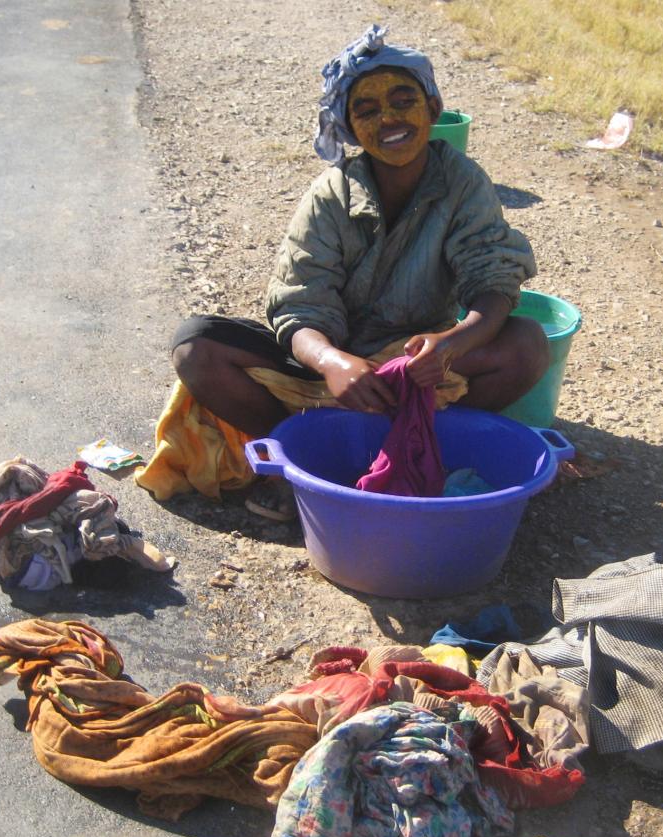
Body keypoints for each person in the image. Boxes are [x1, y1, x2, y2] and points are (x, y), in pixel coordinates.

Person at [137, 25, 549, 518]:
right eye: (368, 110)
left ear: (433, 108)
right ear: (351, 129)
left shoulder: (463, 182)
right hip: (325, 368)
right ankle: (299, 453)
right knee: (195, 348)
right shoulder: (330, 194)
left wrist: (451, 344)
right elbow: (298, 304)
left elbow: (494, 279)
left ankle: (419, 448)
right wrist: (334, 363)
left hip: (417, 365)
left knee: (526, 344)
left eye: (403, 100)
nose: (390, 118)